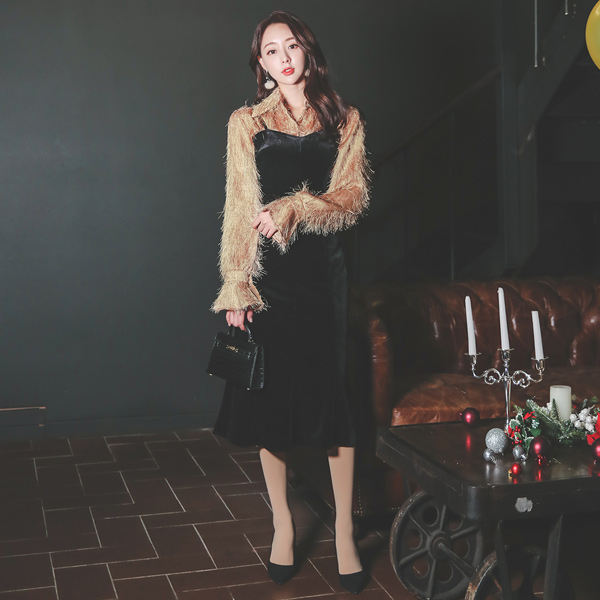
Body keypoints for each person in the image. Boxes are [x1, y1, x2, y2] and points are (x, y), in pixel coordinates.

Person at [211, 10, 370, 594]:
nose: (283, 58)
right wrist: (237, 284)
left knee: (334, 404)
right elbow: (238, 207)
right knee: (271, 403)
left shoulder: (345, 119)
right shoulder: (247, 122)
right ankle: (282, 523)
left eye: (292, 46)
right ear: (260, 63)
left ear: (308, 51)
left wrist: (296, 207)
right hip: (270, 280)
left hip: (324, 275)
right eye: (271, 50)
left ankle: (345, 532)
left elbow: (352, 198)